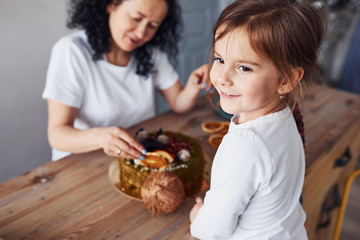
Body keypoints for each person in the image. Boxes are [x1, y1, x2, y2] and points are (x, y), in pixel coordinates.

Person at [189, 0, 326, 239]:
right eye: (219, 59)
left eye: (244, 68)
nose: (222, 78)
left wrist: (197, 218)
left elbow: (211, 230)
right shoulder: (286, 115)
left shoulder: (245, 145)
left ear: (286, 80)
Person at [42, 0, 209, 161]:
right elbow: (57, 135)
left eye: (153, 25)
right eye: (136, 19)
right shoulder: (72, 51)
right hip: (81, 164)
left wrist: (194, 85)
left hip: (135, 156)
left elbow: (178, 103)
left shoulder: (151, 53)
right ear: (111, 4)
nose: (141, 33)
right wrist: (101, 137)